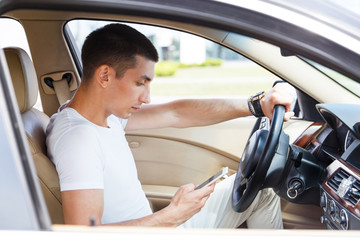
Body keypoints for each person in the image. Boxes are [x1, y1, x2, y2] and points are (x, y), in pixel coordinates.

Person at [46, 23, 294, 228]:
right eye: (140, 83)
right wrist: (171, 216)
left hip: (161, 227)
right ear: (105, 76)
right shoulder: (78, 138)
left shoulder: (103, 114)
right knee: (260, 189)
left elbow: (176, 112)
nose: (147, 97)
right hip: (164, 227)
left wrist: (256, 105)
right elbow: (83, 233)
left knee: (261, 189)